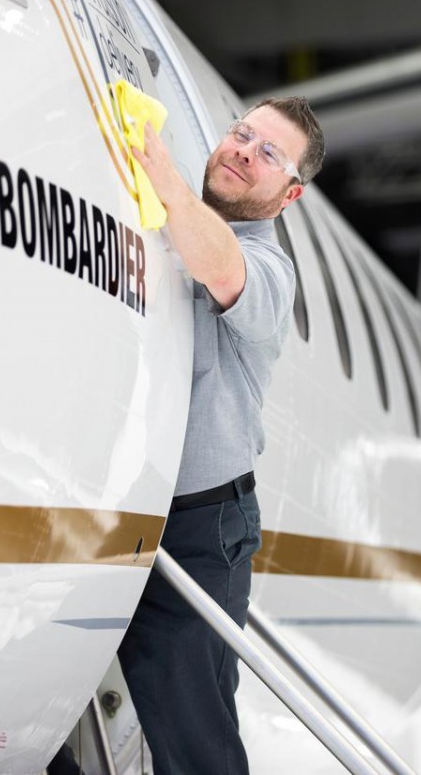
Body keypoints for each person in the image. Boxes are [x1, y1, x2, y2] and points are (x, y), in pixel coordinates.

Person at [116, 96, 325, 774]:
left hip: (203, 529)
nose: (242, 150)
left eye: (268, 153)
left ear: (289, 194)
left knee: (193, 737)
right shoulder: (169, 224)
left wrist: (163, 173)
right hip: (127, 508)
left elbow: (224, 269)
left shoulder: (268, 269)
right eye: (242, 134)